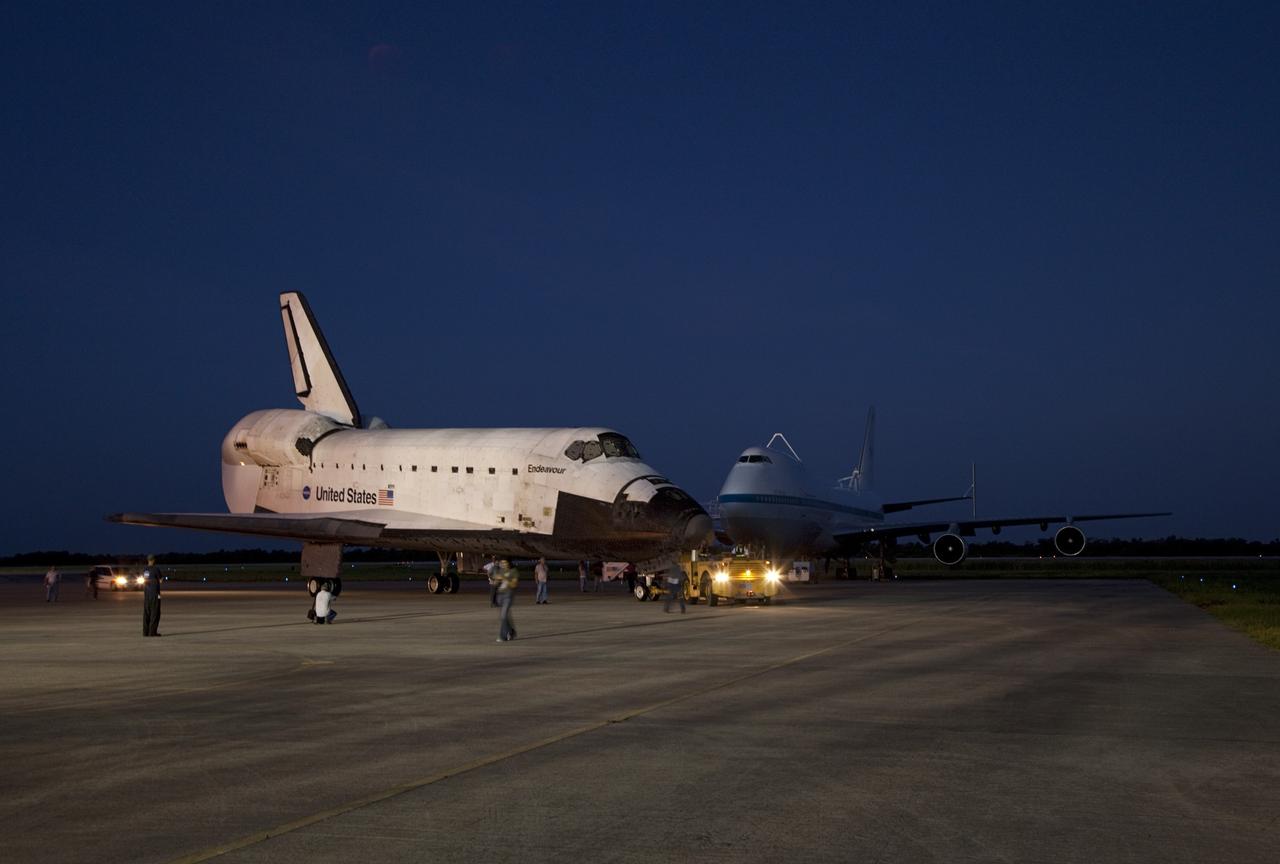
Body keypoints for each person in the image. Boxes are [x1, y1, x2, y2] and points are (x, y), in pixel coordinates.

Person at [495, 559, 518, 642]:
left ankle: (503, 636)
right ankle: (511, 631)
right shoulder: (501, 571)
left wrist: (504, 578)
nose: (503, 564)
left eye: (505, 562)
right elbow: (496, 582)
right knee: (504, 617)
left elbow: (514, 584)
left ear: (509, 563)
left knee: (503, 615)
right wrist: (495, 580)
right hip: (500, 595)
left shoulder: (513, 571)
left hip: (508, 595)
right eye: (502, 563)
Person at [141, 556, 162, 636]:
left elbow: (145, 579)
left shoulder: (145, 570)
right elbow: (160, 580)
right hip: (155, 594)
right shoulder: (155, 569)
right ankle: (152, 632)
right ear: (153, 560)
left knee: (147, 613)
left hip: (147, 595)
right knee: (155, 613)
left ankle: (145, 632)